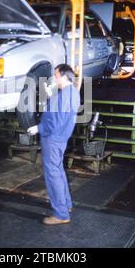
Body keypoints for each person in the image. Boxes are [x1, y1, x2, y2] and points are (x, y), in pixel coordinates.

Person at [27, 64, 80, 225]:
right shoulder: (71, 93)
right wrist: (52, 98)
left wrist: (38, 128)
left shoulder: (64, 96)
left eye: (56, 75)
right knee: (58, 171)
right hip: (60, 139)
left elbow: (55, 123)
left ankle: (60, 214)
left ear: (64, 76)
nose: (54, 78)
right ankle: (66, 205)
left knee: (53, 175)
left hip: (53, 138)